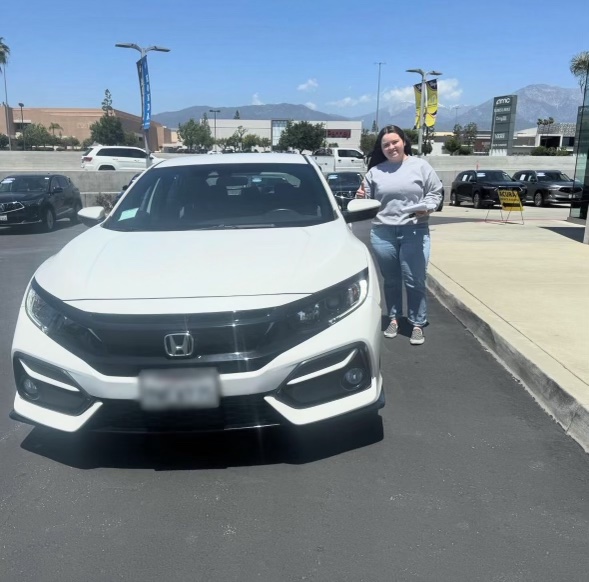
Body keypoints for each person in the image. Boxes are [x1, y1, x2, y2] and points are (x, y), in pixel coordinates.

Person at [356, 125, 443, 345]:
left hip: (414, 229)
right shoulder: (375, 172)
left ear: (403, 142)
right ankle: (393, 318)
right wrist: (360, 197)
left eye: (394, 142)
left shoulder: (420, 166)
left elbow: (435, 192)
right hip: (383, 232)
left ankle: (417, 323)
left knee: (415, 280)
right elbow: (367, 201)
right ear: (381, 148)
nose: (391, 147)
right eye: (386, 144)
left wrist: (428, 207)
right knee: (392, 280)